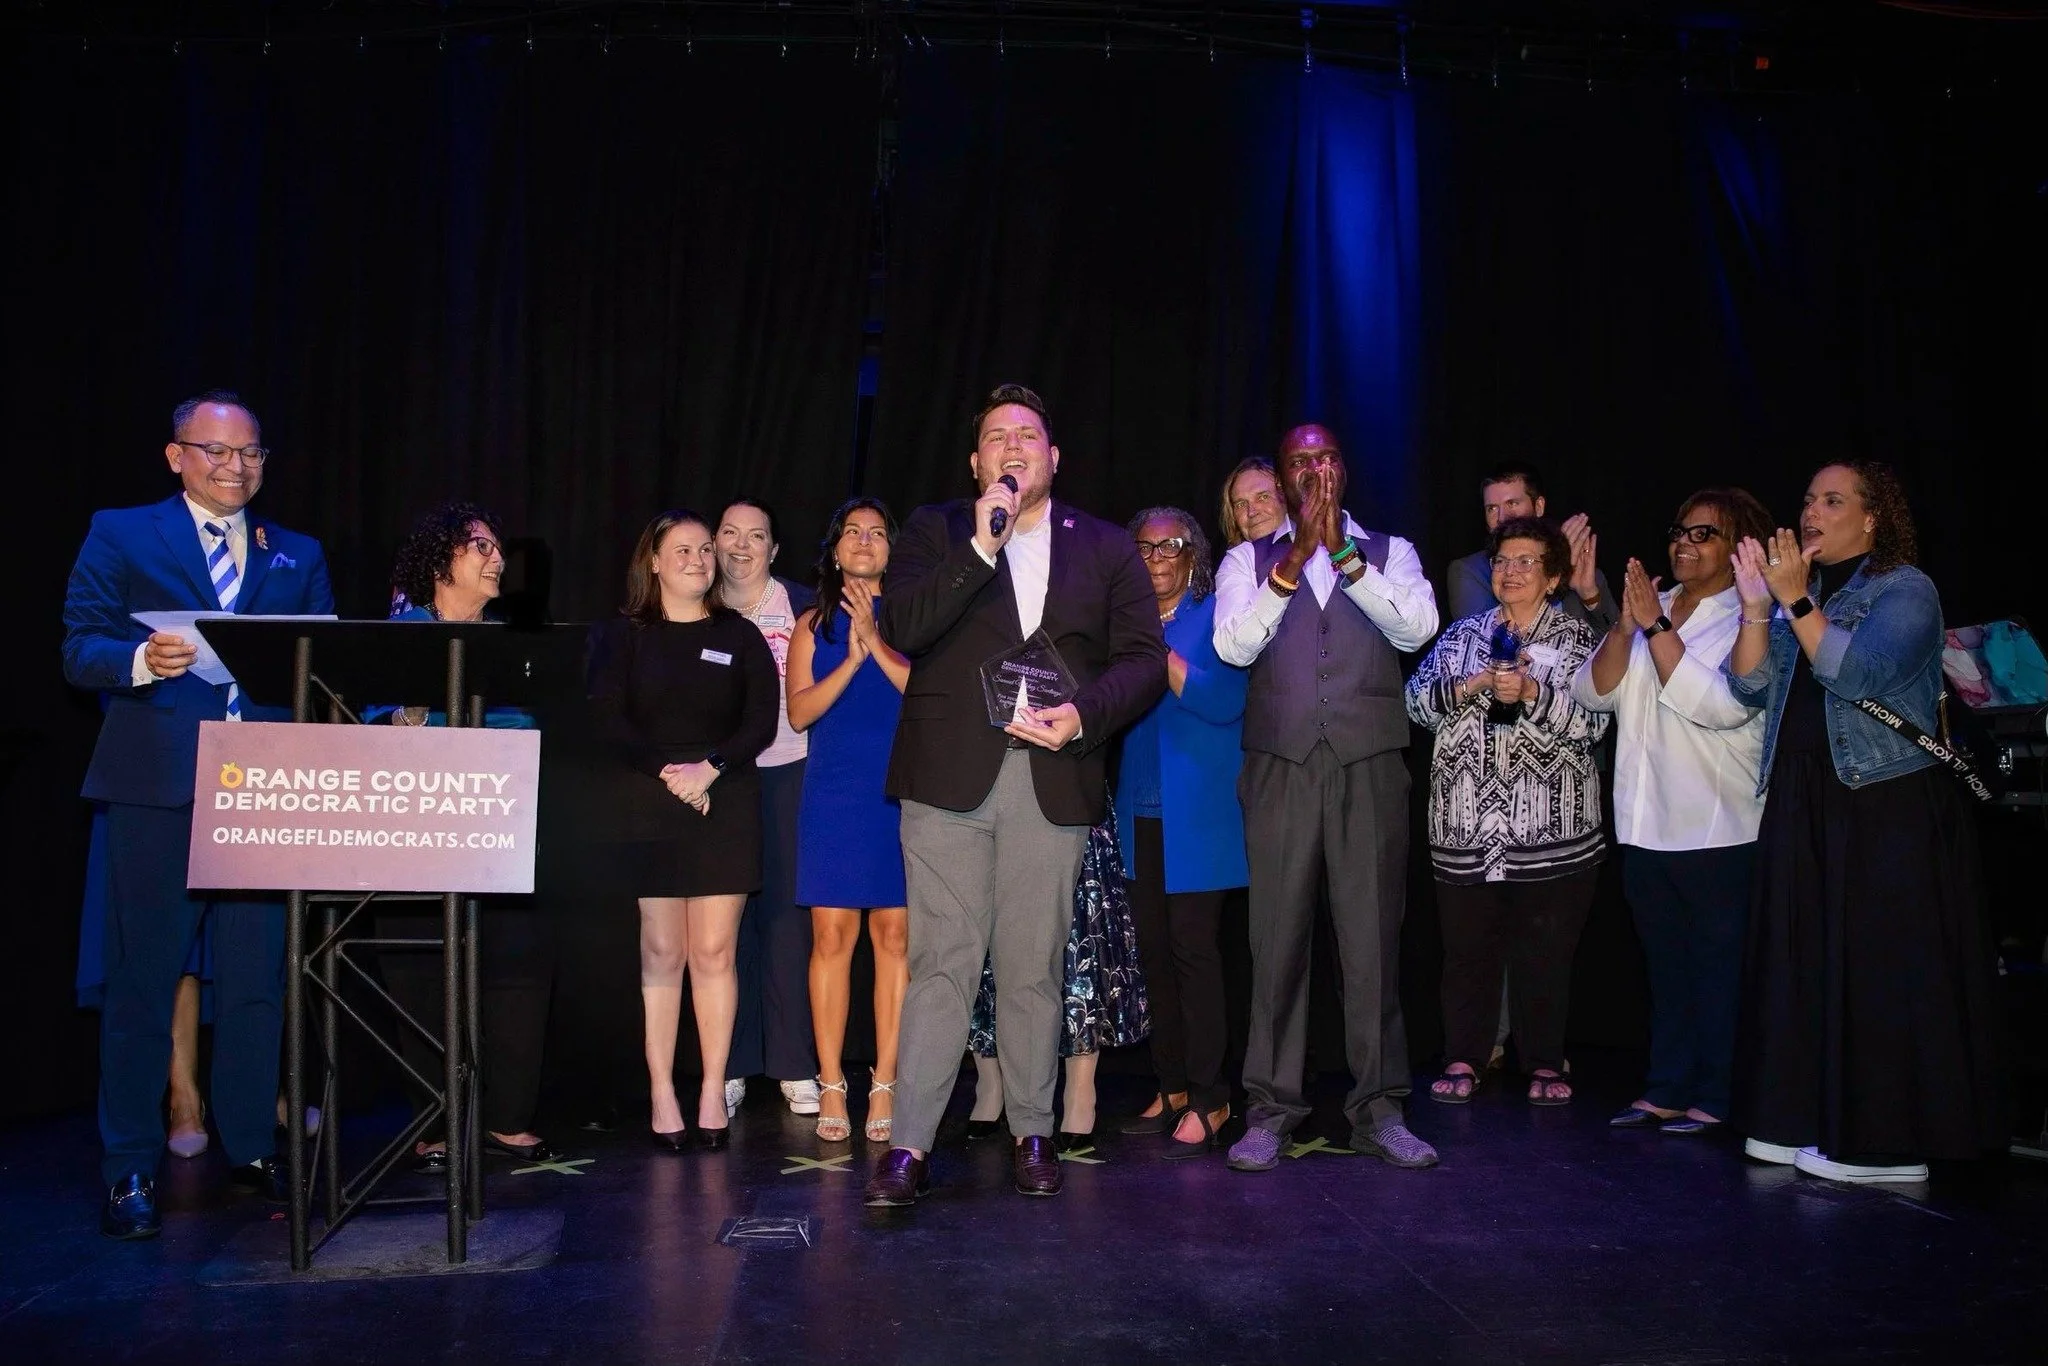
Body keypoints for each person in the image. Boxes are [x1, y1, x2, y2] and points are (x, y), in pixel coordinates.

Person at [862, 383, 1166, 1207]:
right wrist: (980, 547)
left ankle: (1036, 1130)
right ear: (976, 462)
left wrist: (1081, 718)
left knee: (1033, 968)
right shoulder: (935, 531)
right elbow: (904, 626)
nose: (1012, 448)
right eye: (997, 437)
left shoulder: (1104, 547)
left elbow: (1143, 660)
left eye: (1028, 435)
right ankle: (910, 1147)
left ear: (1054, 457)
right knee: (941, 966)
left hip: (1053, 776)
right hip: (948, 779)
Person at [62, 390, 334, 1239]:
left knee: (256, 981)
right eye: (215, 452)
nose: (234, 467)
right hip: (157, 786)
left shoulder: (295, 552)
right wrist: (140, 658)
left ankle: (252, 1144)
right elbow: (78, 646)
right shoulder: (122, 531)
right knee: (144, 980)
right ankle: (129, 1168)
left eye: (249, 453)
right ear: (176, 455)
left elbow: (319, 664)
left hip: (261, 790)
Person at [1724, 462, 2001, 1182]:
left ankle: (1886, 1144)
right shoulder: (1804, 593)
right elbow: (1749, 684)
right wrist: (1759, 603)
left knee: (1876, 972)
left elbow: (1858, 675)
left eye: (1833, 500)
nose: (1813, 510)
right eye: (1809, 497)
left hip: (1881, 801)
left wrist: (1793, 603)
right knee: (1802, 964)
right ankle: (1797, 1118)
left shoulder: (1906, 589)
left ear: (1874, 518)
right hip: (1802, 793)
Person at [1213, 423, 1440, 1173]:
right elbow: (1232, 647)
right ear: (1280, 481)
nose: (1314, 470)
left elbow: (1417, 628)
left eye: (1326, 457)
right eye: (1299, 461)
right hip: (1281, 766)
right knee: (1275, 942)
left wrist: (1340, 552)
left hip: (1368, 765)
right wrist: (1294, 562)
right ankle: (1270, 1111)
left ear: (1343, 469)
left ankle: (1379, 1109)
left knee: (1371, 941)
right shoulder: (1247, 559)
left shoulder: (1390, 550)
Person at [1573, 489, 1772, 1135]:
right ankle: (1666, 1085)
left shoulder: (1749, 613)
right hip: (1645, 823)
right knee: (1666, 967)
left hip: (1719, 826)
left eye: (1704, 533)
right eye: (1679, 531)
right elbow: (1592, 693)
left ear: (1739, 546)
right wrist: (1628, 626)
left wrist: (1655, 631)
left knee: (1718, 972)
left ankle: (1718, 1093)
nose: (1685, 543)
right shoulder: (1648, 607)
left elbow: (1721, 705)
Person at [586, 510, 780, 1152]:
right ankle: (662, 1089)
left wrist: (709, 769)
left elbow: (760, 723)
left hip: (723, 800)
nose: (699, 558)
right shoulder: (623, 637)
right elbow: (607, 719)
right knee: (663, 951)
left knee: (715, 953)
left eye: (706, 548)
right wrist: (670, 774)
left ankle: (710, 1088)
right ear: (653, 561)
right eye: (683, 549)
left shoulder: (741, 636)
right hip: (648, 801)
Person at [376, 502, 557, 1168]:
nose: (496, 558)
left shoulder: (508, 641)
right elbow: (373, 725)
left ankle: (506, 1117)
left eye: (498, 547)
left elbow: (523, 731)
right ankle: (435, 1116)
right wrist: (407, 716)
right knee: (421, 969)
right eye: (479, 545)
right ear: (439, 559)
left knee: (511, 965)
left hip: (499, 826)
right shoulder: (399, 633)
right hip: (415, 835)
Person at [1406, 517, 1609, 1109]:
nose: (1510, 571)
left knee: (1543, 956)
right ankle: (1465, 1055)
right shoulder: (1461, 635)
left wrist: (1534, 696)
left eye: (1526, 562)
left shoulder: (1577, 641)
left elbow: (1596, 722)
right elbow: (1416, 704)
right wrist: (1471, 687)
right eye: (1501, 561)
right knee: (1467, 954)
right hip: (1465, 831)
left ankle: (1544, 1062)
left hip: (1552, 834)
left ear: (1553, 578)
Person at [1114, 507, 1249, 1157]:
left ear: (1194, 554)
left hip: (1199, 814)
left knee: (1195, 955)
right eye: (1144, 546)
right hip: (1139, 811)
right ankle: (1170, 1086)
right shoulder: (1126, 624)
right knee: (1155, 959)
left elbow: (1225, 703)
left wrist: (1156, 653)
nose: (1157, 555)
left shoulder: (1216, 617)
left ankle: (1211, 1097)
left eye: (1171, 545)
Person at [786, 498, 911, 1144]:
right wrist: (853, 657)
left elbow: (924, 694)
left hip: (900, 796)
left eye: (877, 533)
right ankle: (833, 1079)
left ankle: (886, 1080)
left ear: (892, 549)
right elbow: (801, 714)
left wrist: (879, 643)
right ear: (835, 549)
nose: (865, 541)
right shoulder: (812, 623)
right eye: (852, 532)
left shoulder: (913, 617)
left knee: (895, 938)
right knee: (832, 939)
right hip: (835, 799)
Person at [716, 498, 821, 1120]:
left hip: (791, 772)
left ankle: (792, 1064)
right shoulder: (695, 607)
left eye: (756, 535)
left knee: (787, 920)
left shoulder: (804, 606)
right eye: (729, 532)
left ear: (774, 550)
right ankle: (730, 1064)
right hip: (722, 779)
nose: (741, 545)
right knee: (726, 926)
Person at [1445, 461, 1616, 631]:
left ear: (1539, 506)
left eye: (1512, 504)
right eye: (1492, 509)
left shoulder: (1582, 569)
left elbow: (1625, 649)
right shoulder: (1469, 571)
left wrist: (1589, 595)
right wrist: (1556, 571)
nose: (1501, 518)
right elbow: (1487, 642)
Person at [1219, 457, 1285, 548]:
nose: (1252, 512)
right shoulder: (1235, 560)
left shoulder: (1311, 553)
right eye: (1241, 504)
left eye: (1263, 497)